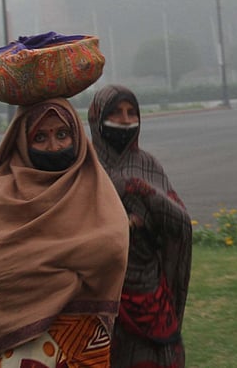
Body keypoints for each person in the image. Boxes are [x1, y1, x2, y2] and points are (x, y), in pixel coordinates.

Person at [0, 98, 130, 368]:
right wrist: (74, 275)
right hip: (17, 342)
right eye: (40, 137)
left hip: (83, 341)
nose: (54, 146)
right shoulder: (0, 193)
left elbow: (112, 251)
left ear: (76, 137)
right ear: (22, 141)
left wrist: (41, 269)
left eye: (62, 134)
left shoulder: (93, 187)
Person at [88, 85, 193, 368]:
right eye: (115, 112)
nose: (124, 119)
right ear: (97, 117)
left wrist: (144, 200)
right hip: (97, 293)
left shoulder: (148, 166)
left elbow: (180, 222)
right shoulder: (84, 167)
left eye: (131, 112)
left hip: (148, 291)